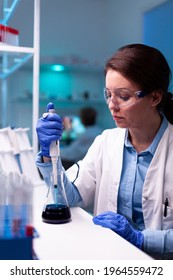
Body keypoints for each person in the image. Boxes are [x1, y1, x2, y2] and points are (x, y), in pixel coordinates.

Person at [36, 43, 173, 260]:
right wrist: (47, 153)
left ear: (155, 98)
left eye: (124, 96)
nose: (112, 105)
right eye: (108, 94)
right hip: (107, 260)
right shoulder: (106, 142)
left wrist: (140, 238)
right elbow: (66, 197)